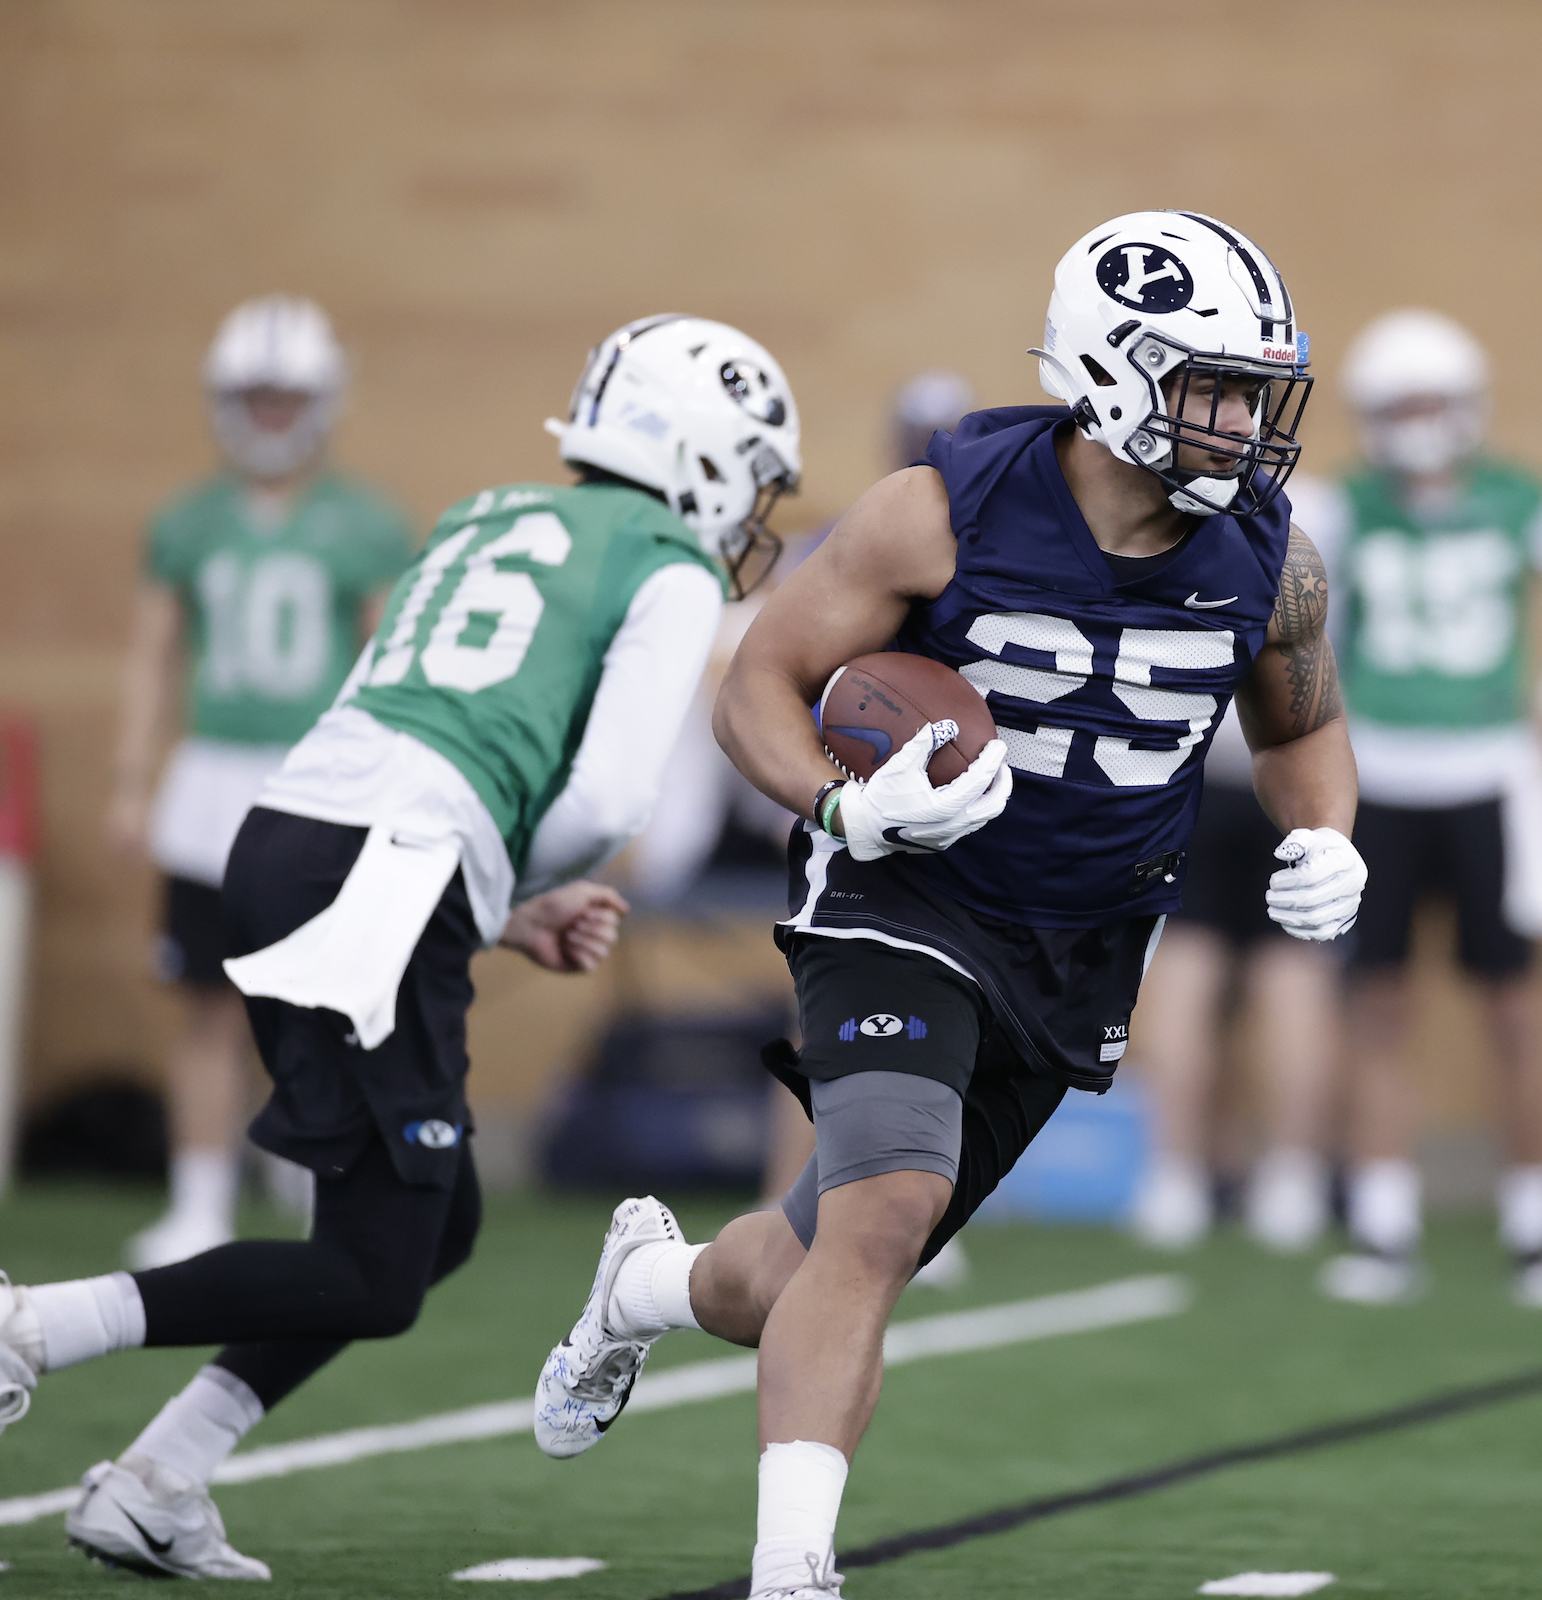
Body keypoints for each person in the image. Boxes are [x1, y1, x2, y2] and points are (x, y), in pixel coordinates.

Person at [530, 211, 1364, 1600]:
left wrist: (1329, 835)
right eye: (1210, 385)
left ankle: (645, 1291)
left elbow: (1299, 729)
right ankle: (794, 1567)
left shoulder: (1271, 551)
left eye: (1251, 389)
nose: (1242, 422)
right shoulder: (943, 508)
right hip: (902, 897)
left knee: (790, 1271)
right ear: (1112, 370)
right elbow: (758, 685)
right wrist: (843, 809)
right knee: (884, 1211)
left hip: (1078, 945)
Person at [0, 313, 801, 1578]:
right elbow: (605, 804)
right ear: (698, 449)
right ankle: (30, 1325)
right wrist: (514, 885)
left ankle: (158, 1477)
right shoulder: (666, 561)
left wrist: (494, 896)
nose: (753, 504)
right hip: (384, 867)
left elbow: (407, 718)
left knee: (434, 1226)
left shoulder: (487, 509)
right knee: (376, 1266)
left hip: (291, 836)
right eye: (752, 467)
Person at [1298, 309, 1542, 1308]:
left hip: (1494, 777)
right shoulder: (1347, 502)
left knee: (1516, 1006)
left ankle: (1538, 1225)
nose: (1416, 423)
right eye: (1396, 407)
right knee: (1377, 1006)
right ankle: (1383, 1224)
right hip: (1384, 777)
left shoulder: (1515, 495)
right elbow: (1290, 606)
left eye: (1430, 403)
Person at [107, 296, 417, 1268]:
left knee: (327, 997)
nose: (273, 414)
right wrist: (129, 778)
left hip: (316, 781)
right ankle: (200, 1197)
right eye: (257, 396)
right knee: (207, 1001)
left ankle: (319, 1175)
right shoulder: (188, 520)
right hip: (209, 782)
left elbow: (387, 659)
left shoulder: (365, 522)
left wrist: (393, 780)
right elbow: (152, 656)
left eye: (288, 397)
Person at [1126, 717, 1340, 1253]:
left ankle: (1174, 1179)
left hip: (1190, 764)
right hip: (1298, 772)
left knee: (1187, 971)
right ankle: (1292, 1181)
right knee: (1291, 973)